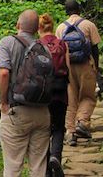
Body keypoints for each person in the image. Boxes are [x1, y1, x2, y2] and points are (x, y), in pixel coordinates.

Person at [0, 9, 51, 177]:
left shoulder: (7, 42)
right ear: (36, 29)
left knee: (13, 166)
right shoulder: (44, 48)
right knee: (38, 167)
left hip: (16, 112)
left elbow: (4, 73)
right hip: (42, 113)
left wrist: (4, 103)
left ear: (18, 25)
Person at [55, 0, 101, 146]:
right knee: (88, 96)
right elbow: (95, 48)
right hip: (85, 65)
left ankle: (70, 132)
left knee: (71, 99)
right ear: (79, 10)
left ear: (66, 11)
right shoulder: (88, 25)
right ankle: (82, 122)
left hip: (68, 68)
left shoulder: (60, 28)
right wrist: (97, 68)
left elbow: (59, 51)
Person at [38, 13, 69, 177]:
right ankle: (56, 156)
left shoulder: (35, 45)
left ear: (39, 28)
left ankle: (47, 169)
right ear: (53, 26)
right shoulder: (62, 44)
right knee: (58, 128)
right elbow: (68, 67)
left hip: (41, 94)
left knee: (43, 131)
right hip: (60, 92)